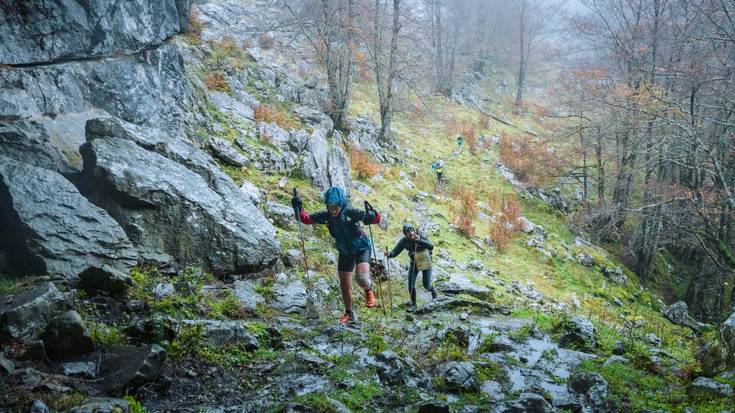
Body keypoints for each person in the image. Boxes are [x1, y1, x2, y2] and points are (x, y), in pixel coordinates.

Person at [292, 186, 381, 324]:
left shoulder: (351, 212)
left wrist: (373, 215)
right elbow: (305, 219)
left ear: (341, 204)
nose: (333, 210)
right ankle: (349, 313)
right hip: (345, 252)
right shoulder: (326, 216)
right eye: (330, 207)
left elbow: (374, 219)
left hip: (361, 248)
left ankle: (369, 291)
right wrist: (297, 208)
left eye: (336, 207)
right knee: (345, 286)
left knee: (361, 278)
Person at [384, 223, 437, 310]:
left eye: (412, 231)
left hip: (425, 260)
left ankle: (433, 291)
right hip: (414, 263)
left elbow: (431, 246)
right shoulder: (404, 241)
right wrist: (388, 254)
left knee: (426, 285)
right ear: (405, 234)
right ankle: (414, 304)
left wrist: (420, 240)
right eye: (409, 233)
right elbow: (395, 251)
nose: (411, 233)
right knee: (410, 284)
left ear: (414, 230)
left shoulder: (421, 235)